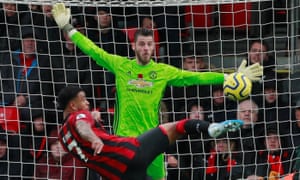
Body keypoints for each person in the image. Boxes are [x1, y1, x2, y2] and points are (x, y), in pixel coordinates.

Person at [51, 3, 263, 179]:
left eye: (149, 45)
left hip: (151, 141)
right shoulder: (121, 65)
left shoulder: (162, 71)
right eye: (141, 44)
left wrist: (228, 76)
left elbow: (195, 77)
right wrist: (68, 27)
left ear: (153, 48)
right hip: (123, 142)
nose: (145, 48)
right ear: (134, 47)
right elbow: (92, 49)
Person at [56, 85, 243, 180]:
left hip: (120, 176)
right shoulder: (78, 117)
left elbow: (80, 134)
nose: (87, 103)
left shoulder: (62, 137)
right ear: (73, 105)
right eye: (83, 100)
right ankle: (209, 128)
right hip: (130, 153)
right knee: (174, 127)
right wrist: (94, 137)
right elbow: (82, 127)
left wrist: (93, 122)